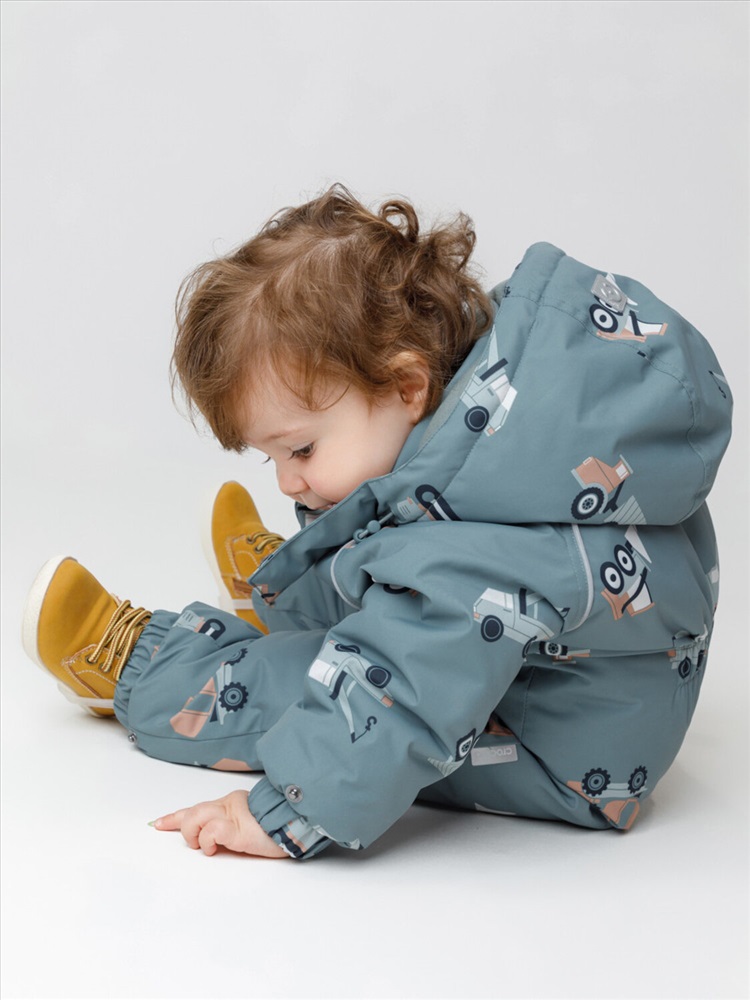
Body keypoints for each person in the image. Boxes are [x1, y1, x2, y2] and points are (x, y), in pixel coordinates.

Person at [22, 186, 732, 860]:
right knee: (388, 534)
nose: (286, 480)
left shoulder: (479, 557)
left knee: (306, 678)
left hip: (549, 749)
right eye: (272, 458)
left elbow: (403, 692)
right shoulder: (531, 425)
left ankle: (138, 664)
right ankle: (294, 585)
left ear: (406, 385)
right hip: (590, 697)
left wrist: (284, 813)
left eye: (300, 449)